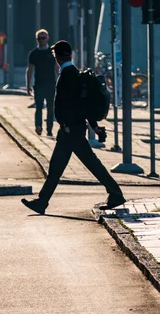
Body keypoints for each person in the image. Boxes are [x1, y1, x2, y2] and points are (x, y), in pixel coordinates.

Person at [22, 40, 125, 214]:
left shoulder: (67, 75)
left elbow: (71, 105)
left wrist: (69, 125)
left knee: (90, 164)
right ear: (70, 55)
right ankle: (42, 201)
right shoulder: (73, 73)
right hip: (70, 131)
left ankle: (115, 193)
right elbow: (83, 104)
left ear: (57, 57)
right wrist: (94, 126)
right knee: (56, 167)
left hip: (71, 131)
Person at [26, 29, 58, 137]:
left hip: (51, 84)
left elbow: (57, 68)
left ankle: (49, 129)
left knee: (50, 108)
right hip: (39, 84)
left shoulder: (52, 53)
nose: (41, 40)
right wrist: (28, 85)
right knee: (39, 107)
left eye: (43, 38)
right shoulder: (33, 54)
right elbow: (29, 70)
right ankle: (38, 126)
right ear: (36, 40)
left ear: (48, 38)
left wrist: (60, 82)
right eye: (39, 38)